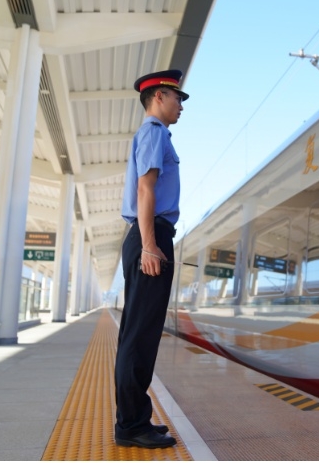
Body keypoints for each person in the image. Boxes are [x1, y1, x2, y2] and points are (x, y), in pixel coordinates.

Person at [113, 69, 188, 448]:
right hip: (152, 234)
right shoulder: (154, 133)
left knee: (139, 332)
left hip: (151, 233)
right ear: (158, 96)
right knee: (140, 334)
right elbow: (146, 188)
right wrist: (149, 244)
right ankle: (130, 426)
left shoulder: (153, 134)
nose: (181, 106)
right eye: (177, 98)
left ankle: (136, 418)